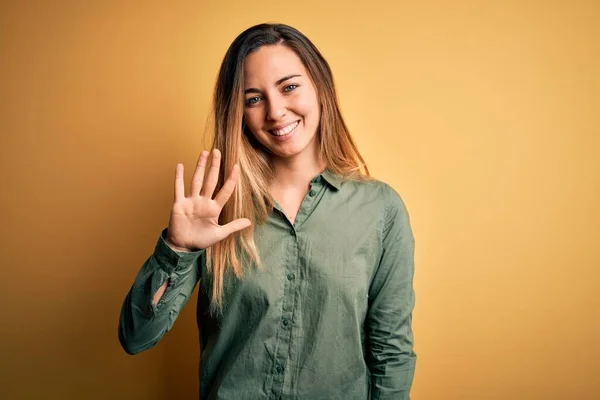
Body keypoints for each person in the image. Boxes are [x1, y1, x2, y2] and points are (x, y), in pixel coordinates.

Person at [118, 23, 416, 400]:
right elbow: (136, 337)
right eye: (253, 98)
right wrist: (178, 249)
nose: (276, 111)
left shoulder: (380, 210)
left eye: (289, 86)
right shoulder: (216, 210)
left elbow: (391, 352)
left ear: (320, 87)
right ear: (238, 112)